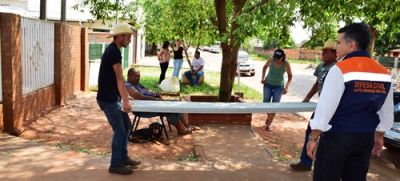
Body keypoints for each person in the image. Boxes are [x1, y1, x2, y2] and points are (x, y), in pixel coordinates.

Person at [307, 23, 394, 180]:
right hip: (364, 139)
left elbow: (326, 108)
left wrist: (314, 137)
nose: (336, 47)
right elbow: (386, 110)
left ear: (352, 45)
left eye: (339, 42)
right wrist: (379, 135)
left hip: (337, 138)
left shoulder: (340, 69)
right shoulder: (384, 73)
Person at [96, 23, 141, 175]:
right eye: (128, 37)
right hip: (108, 100)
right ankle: (115, 164)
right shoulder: (113, 52)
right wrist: (126, 101)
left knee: (127, 125)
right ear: (120, 36)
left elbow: (117, 81)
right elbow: (120, 78)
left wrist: (124, 98)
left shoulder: (114, 50)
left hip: (112, 98)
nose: (129, 40)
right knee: (120, 130)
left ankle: (123, 157)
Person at [290, 40, 337, 171]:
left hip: (334, 108)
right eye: (322, 51)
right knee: (311, 131)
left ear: (335, 53)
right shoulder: (321, 66)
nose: (323, 54)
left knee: (329, 136)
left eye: (326, 51)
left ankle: (326, 166)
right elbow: (317, 84)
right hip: (322, 105)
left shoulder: (337, 68)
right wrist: (307, 98)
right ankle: (305, 162)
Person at [125, 68, 192, 135]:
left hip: (152, 103)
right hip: (145, 108)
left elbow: (147, 91)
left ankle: (186, 125)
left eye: (139, 76)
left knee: (174, 103)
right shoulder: (128, 86)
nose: (138, 78)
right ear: (129, 76)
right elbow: (140, 97)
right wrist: (155, 99)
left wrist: (155, 94)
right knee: (170, 109)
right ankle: (180, 129)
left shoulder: (137, 83)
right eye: (136, 76)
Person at [261, 49, 292, 131]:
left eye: (279, 58)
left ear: (283, 57)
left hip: (279, 86)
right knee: (265, 104)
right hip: (268, 84)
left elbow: (290, 76)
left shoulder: (286, 64)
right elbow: (264, 67)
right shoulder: (271, 60)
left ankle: (269, 124)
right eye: (276, 58)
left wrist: (287, 87)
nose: (277, 60)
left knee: (275, 105)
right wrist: (263, 78)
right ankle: (269, 116)